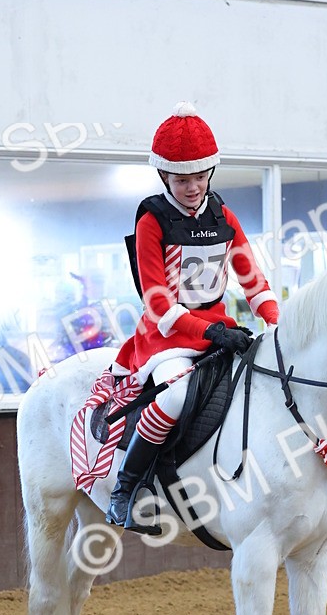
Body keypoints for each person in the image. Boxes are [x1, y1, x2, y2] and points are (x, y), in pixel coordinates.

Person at [106, 102, 280, 530]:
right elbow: (158, 304)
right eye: (182, 180)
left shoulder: (223, 215)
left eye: (200, 177)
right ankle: (124, 489)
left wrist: (278, 325)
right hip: (166, 337)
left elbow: (253, 282)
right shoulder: (153, 219)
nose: (192, 187)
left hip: (220, 330)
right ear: (165, 176)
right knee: (175, 397)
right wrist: (212, 332)